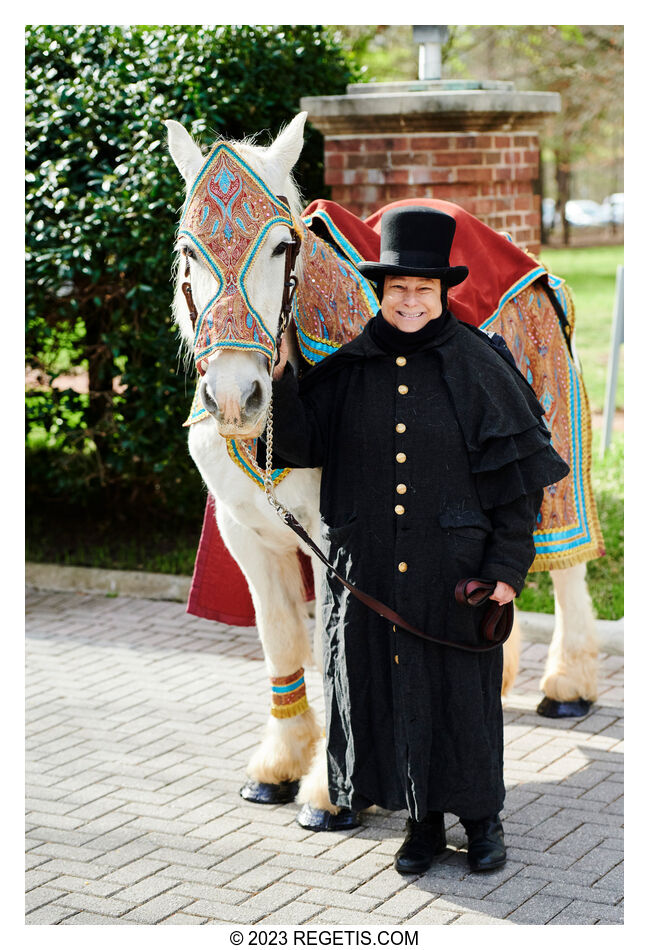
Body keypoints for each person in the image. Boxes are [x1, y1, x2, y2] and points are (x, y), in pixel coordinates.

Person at [266, 207, 570, 874]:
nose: (409, 302)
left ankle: (483, 823)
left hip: (455, 575)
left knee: (460, 701)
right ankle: (422, 827)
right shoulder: (350, 367)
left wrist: (505, 569)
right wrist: (283, 376)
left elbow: (519, 485)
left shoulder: (477, 365)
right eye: (397, 289)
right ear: (382, 291)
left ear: (441, 294)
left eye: (422, 291)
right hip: (370, 571)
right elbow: (297, 444)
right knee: (394, 698)